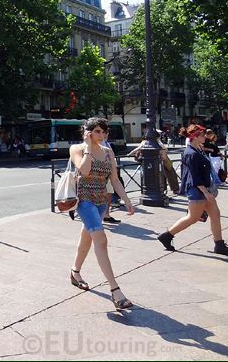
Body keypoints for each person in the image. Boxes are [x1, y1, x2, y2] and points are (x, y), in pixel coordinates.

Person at [69, 117, 135, 311]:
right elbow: (84, 170)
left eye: (104, 132)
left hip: (100, 202)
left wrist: (126, 199)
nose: (101, 135)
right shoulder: (77, 149)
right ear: (87, 132)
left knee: (86, 239)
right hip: (84, 200)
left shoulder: (108, 152)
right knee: (101, 240)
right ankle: (115, 290)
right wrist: (88, 147)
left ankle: (75, 272)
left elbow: (114, 180)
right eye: (97, 131)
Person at [158, 125, 228, 257]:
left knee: (215, 214)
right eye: (202, 135)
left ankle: (219, 245)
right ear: (195, 137)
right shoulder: (191, 153)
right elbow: (194, 176)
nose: (205, 137)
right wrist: (206, 192)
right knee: (192, 218)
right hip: (198, 190)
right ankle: (166, 236)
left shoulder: (198, 149)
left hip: (203, 189)